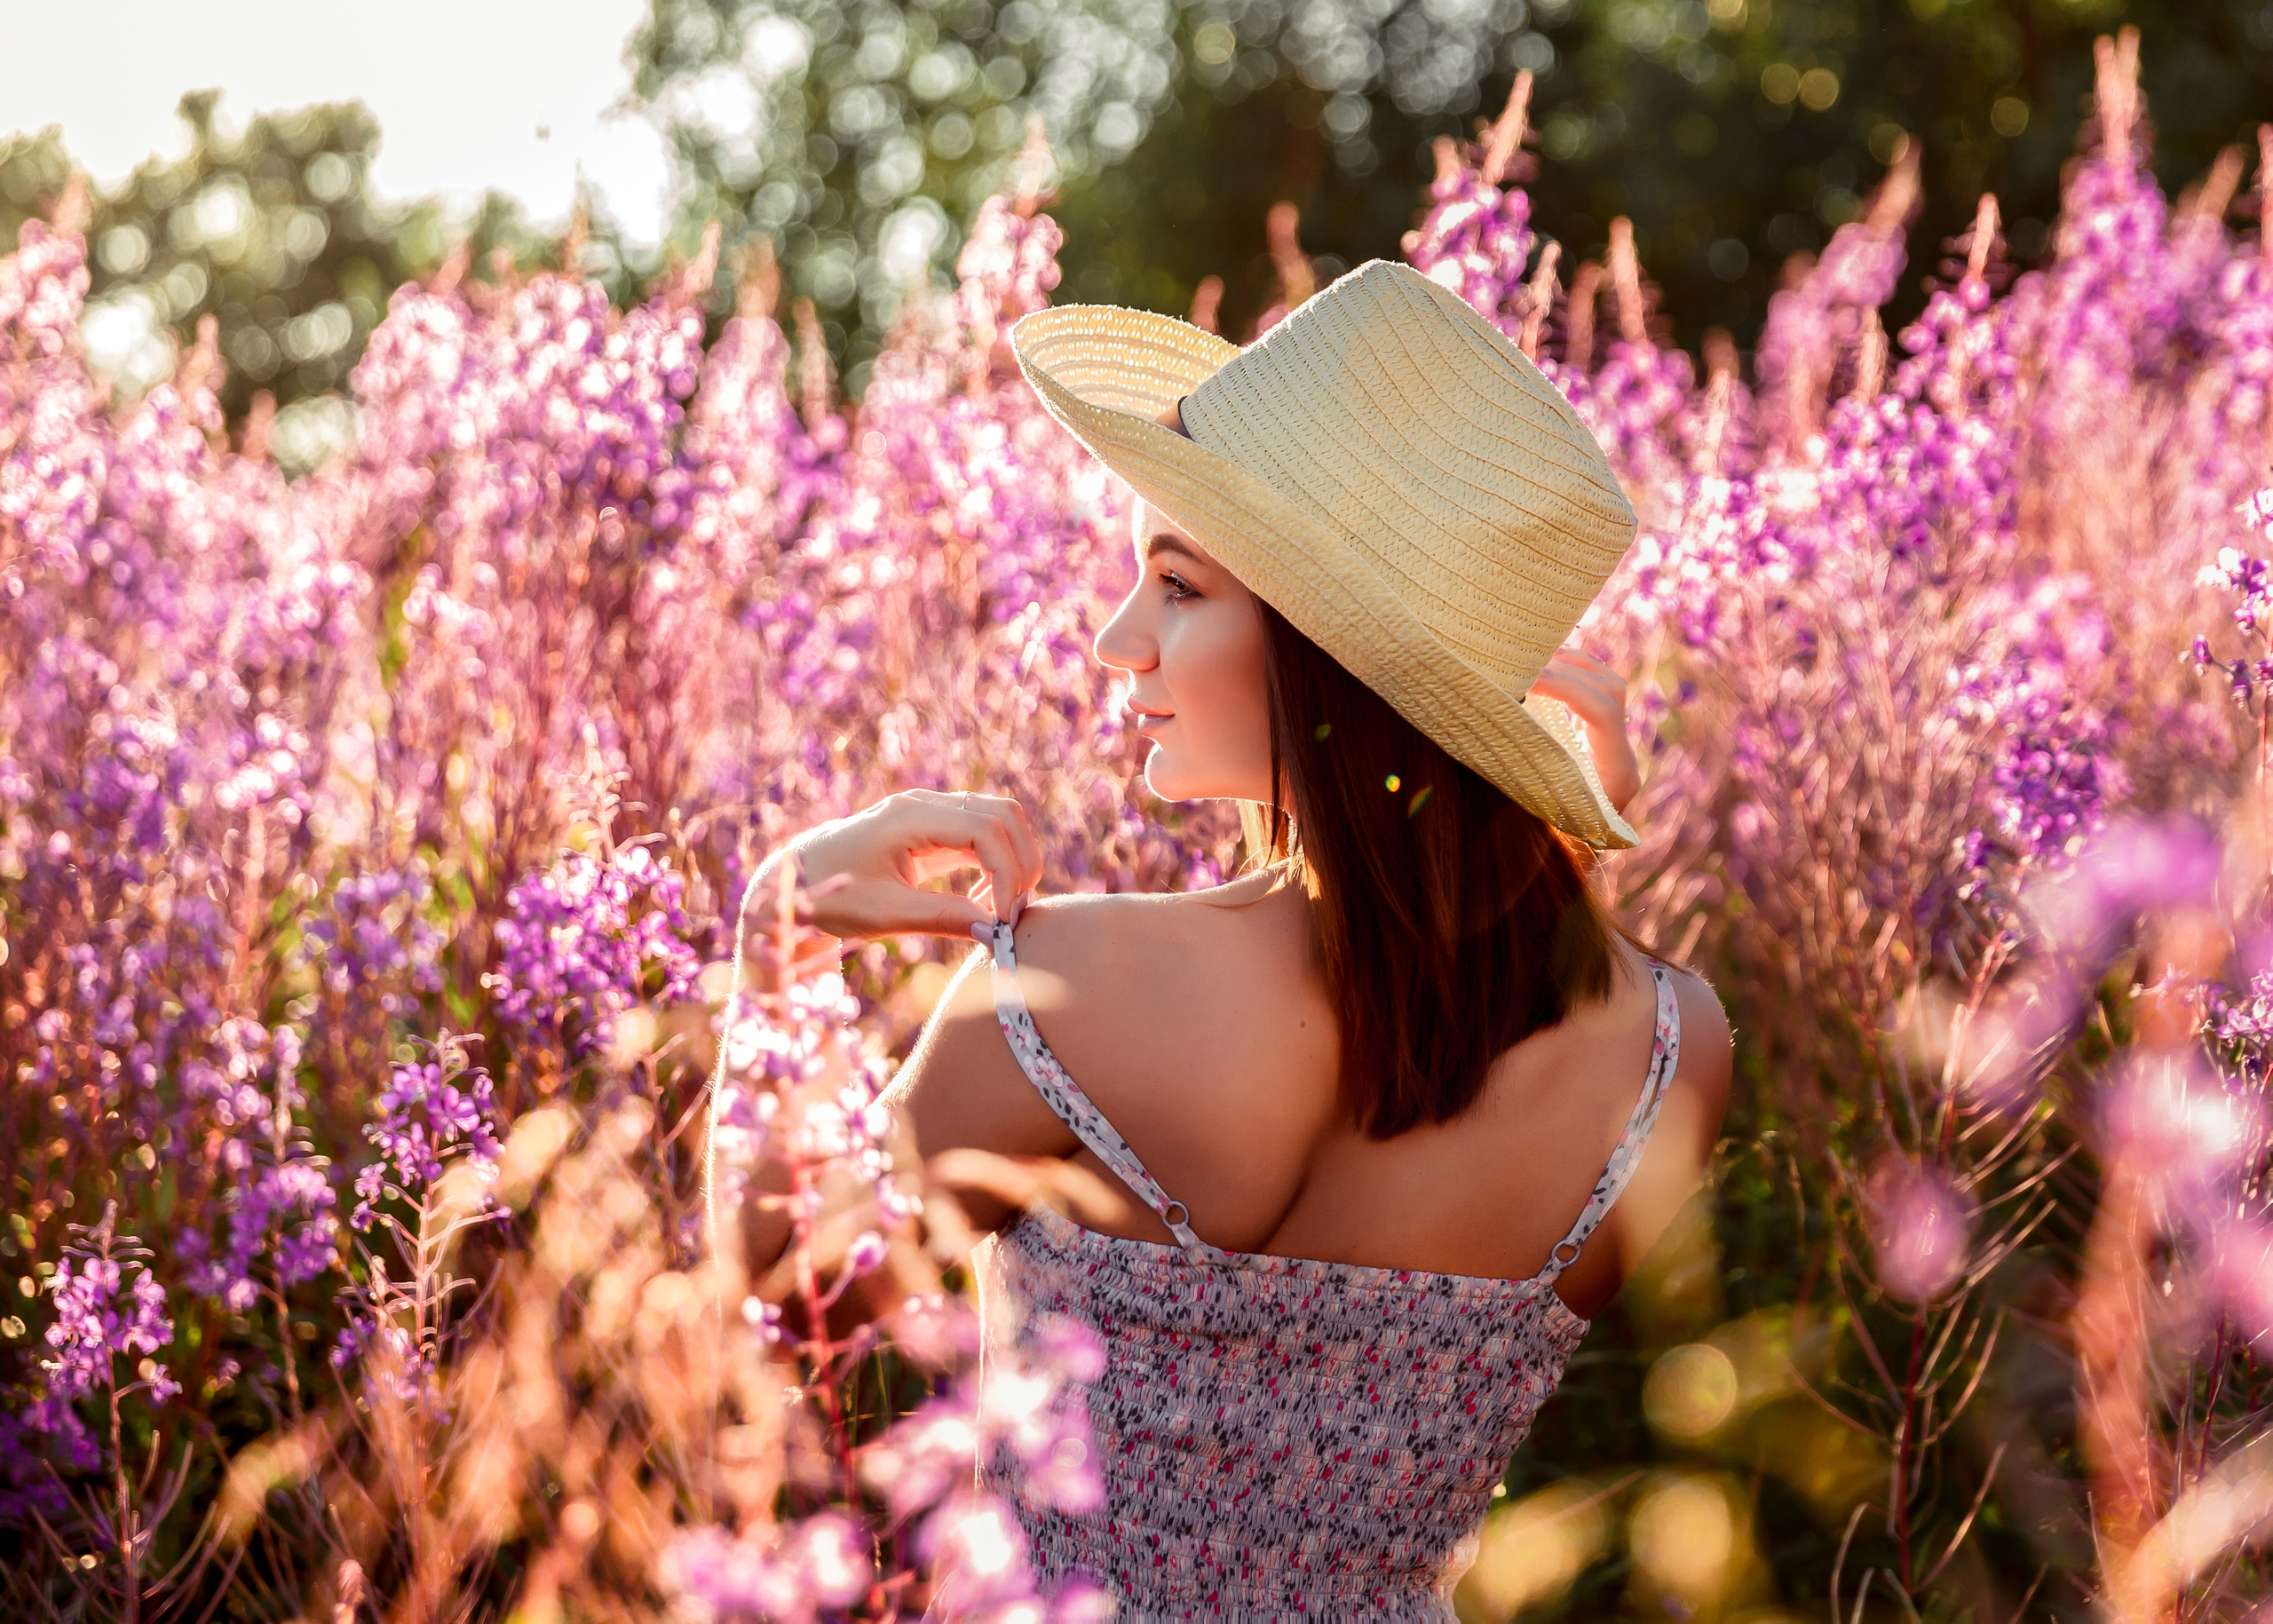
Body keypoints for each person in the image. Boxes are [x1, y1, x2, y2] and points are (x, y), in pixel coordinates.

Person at [745, 259, 1733, 1619]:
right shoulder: (1672, 1053)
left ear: (1328, 653)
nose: (1114, 640)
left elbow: (758, 1330)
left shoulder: (1063, 986)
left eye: (1180, 586)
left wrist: (770, 952)